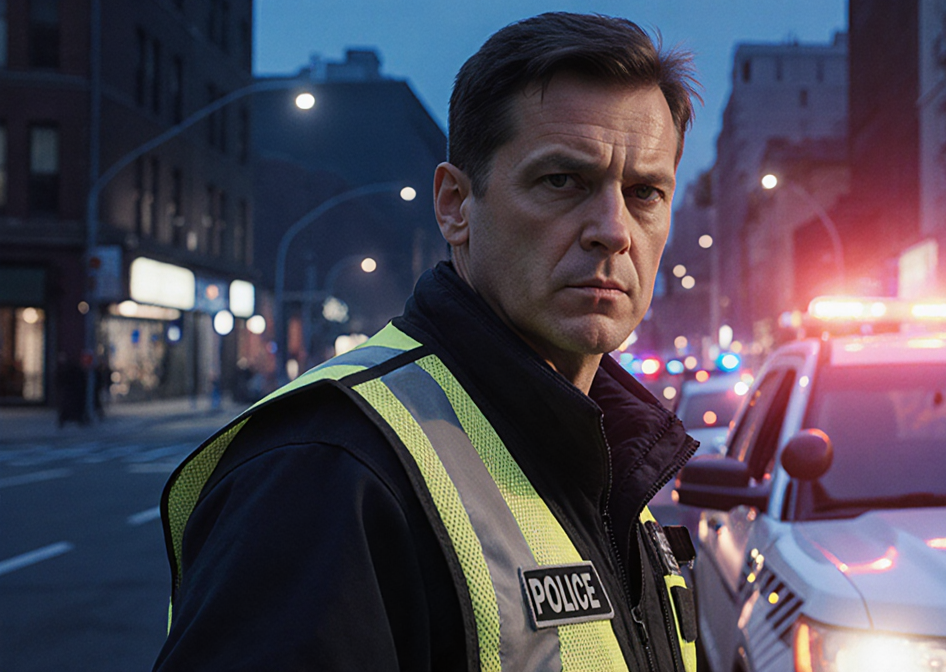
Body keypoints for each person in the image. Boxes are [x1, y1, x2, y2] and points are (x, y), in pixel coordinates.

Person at [155, 12, 701, 671]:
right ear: (454, 205)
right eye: (562, 181)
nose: (613, 230)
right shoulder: (327, 469)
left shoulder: (607, 455)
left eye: (644, 192)